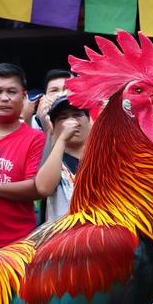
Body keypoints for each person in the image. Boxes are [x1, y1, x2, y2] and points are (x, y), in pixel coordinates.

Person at [0, 64, 46, 252]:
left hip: (19, 242)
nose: (4, 98)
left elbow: (36, 187)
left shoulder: (36, 138)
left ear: (24, 96)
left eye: (12, 91)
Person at [35, 95, 89, 223]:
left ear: (89, 120)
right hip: (63, 239)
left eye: (77, 115)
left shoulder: (104, 156)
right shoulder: (54, 159)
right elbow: (43, 188)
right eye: (63, 118)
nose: (71, 121)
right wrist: (62, 139)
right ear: (54, 126)